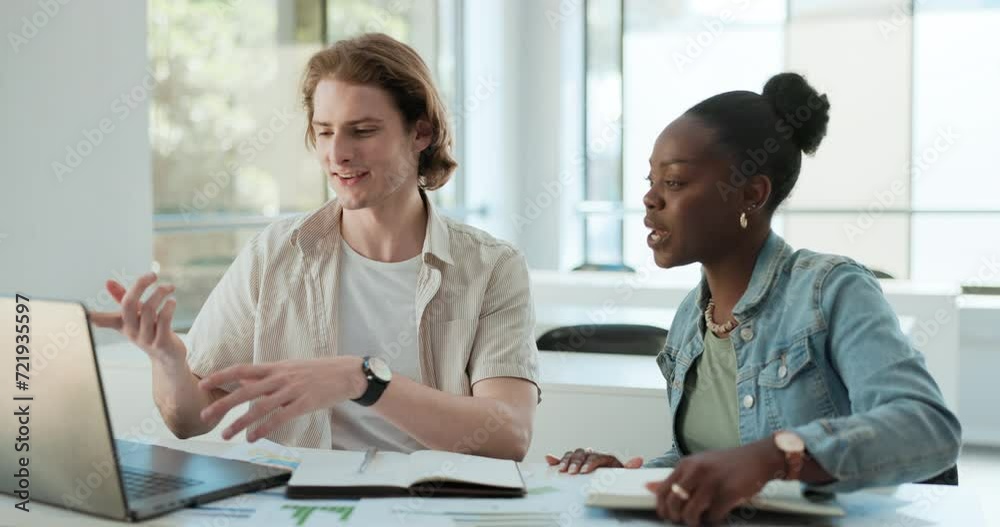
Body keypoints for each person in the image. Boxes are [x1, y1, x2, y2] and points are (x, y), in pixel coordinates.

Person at [90, 33, 540, 461]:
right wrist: (168, 358)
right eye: (325, 132)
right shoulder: (275, 253)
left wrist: (363, 380)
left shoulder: (492, 267)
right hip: (298, 505)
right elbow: (188, 420)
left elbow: (508, 434)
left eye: (362, 131)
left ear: (420, 133)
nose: (337, 154)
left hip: (428, 508)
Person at [546, 72, 961, 524]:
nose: (650, 199)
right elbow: (707, 457)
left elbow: (927, 428)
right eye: (651, 181)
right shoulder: (691, 318)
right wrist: (631, 478)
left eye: (675, 182)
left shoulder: (831, 290)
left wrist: (775, 458)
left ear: (751, 194)